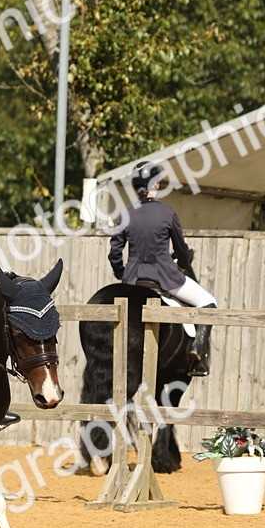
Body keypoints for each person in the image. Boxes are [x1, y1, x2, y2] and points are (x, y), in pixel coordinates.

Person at [108, 161, 217, 376]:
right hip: (165, 277)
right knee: (209, 302)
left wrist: (123, 274)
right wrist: (183, 261)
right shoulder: (168, 213)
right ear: (156, 185)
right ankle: (197, 350)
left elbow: (114, 254)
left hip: (133, 280)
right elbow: (182, 252)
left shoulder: (126, 214)